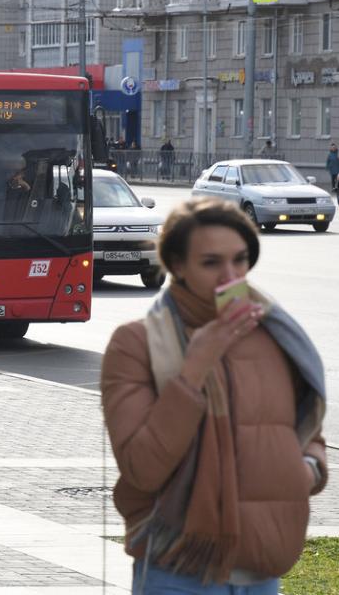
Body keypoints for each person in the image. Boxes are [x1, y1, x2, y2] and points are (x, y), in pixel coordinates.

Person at [101, 197, 326, 594]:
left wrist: (307, 469)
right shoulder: (136, 344)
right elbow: (143, 467)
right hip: (177, 568)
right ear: (178, 266)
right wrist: (194, 369)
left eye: (240, 260)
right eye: (211, 262)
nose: (230, 275)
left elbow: (306, 424)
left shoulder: (272, 334)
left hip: (261, 567)